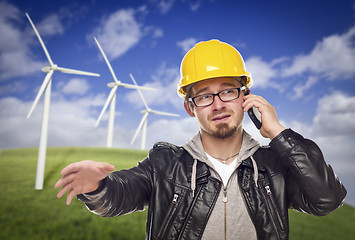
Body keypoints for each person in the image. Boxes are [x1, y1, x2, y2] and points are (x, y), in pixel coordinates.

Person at [55, 39, 347, 240]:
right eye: (205, 95)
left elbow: (327, 199)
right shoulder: (164, 165)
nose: (218, 104)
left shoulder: (274, 166)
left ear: (245, 97)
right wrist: (97, 187)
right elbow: (119, 196)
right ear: (190, 107)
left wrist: (280, 134)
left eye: (228, 90)